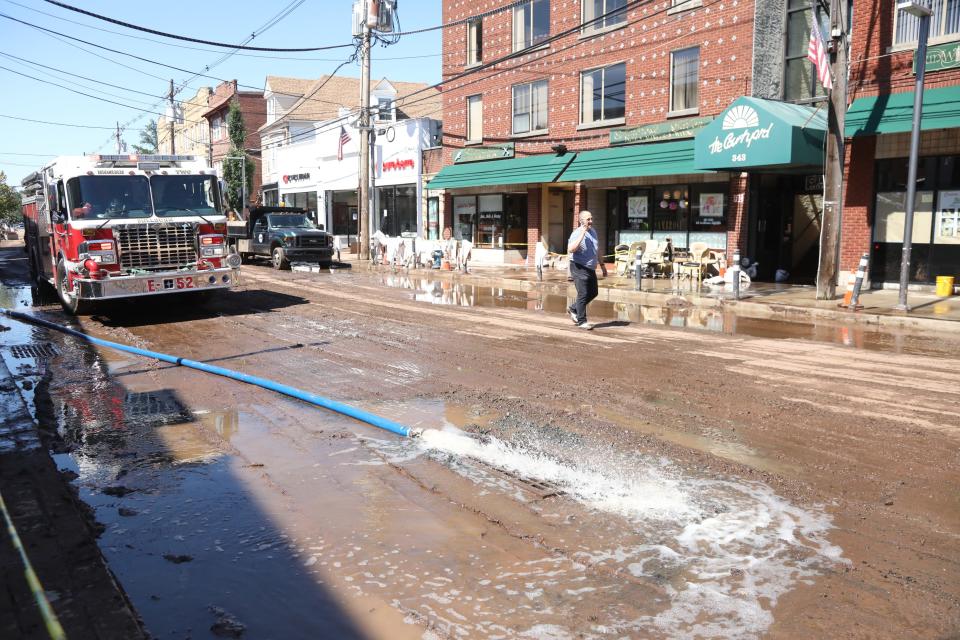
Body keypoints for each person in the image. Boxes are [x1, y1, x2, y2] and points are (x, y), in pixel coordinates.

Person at [566, 210, 606, 328]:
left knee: (594, 292)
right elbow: (571, 249)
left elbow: (596, 250)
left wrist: (602, 265)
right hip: (578, 266)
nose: (591, 221)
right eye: (588, 219)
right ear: (581, 221)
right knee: (583, 293)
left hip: (590, 267)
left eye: (591, 219)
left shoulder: (593, 232)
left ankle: (573, 308)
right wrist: (582, 233)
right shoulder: (576, 233)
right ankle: (582, 321)